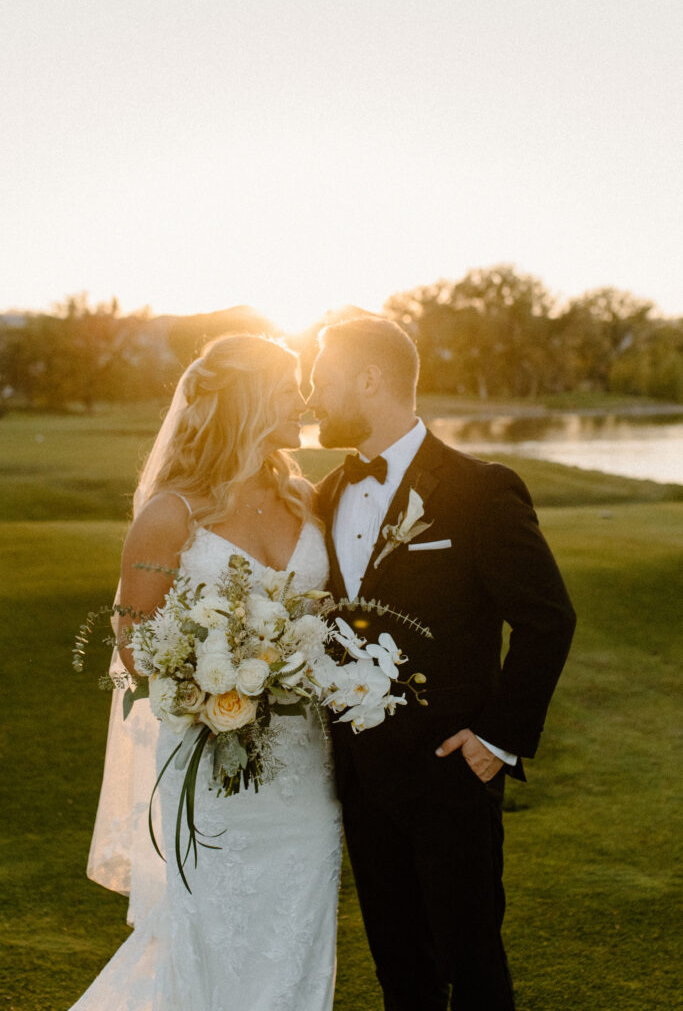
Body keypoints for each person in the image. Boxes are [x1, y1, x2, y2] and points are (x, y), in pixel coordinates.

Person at [311, 317, 576, 1011]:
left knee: (474, 969)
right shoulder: (326, 495)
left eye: (321, 380)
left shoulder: (479, 489)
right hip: (360, 782)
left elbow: (547, 620)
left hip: (449, 777)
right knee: (401, 973)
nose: (311, 397)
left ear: (368, 380)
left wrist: (496, 739)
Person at [71, 333, 342, 1011]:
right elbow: (133, 643)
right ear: (249, 400)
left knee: (299, 925)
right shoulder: (172, 515)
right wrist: (210, 678)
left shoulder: (305, 498)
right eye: (286, 386)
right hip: (211, 765)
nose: (302, 400)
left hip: (304, 767)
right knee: (216, 929)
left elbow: (329, 618)